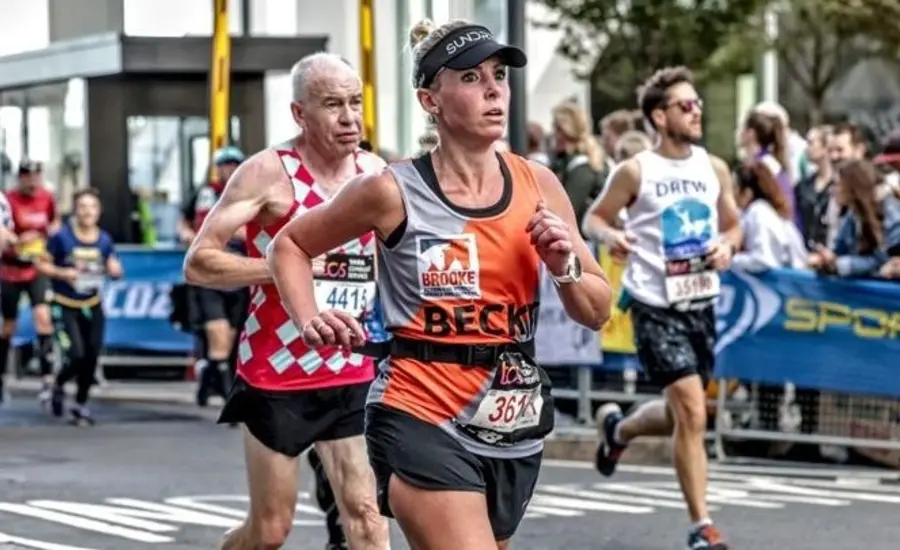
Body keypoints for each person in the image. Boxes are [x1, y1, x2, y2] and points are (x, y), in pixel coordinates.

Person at [268, 19, 611, 550]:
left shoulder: (537, 183)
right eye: (472, 78)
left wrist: (563, 263)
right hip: (418, 408)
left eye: (499, 75)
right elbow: (289, 245)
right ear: (430, 99)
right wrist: (309, 317)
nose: (494, 89)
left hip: (508, 417)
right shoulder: (390, 190)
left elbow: (596, 310)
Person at [183, 52, 389, 550]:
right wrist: (283, 268)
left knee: (366, 518)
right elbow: (200, 262)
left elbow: (389, 261)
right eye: (332, 105)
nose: (349, 118)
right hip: (277, 371)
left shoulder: (374, 171)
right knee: (271, 531)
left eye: (355, 103)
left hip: (350, 366)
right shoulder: (267, 173)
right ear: (300, 114)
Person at [584, 66, 742, 549]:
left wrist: (728, 248)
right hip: (654, 305)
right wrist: (614, 236)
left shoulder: (714, 168)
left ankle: (619, 429)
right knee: (692, 410)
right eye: (686, 105)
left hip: (701, 303)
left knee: (686, 416)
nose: (697, 111)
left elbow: (734, 225)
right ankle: (701, 528)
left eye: (697, 103)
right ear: (659, 115)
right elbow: (594, 217)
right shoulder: (637, 171)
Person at [36, 188, 122, 425]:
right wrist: (63, 273)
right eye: (82, 207)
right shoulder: (61, 237)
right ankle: (59, 383)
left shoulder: (104, 239)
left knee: (92, 355)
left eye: (92, 207)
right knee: (75, 354)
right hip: (65, 303)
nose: (87, 212)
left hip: (92, 303)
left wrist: (115, 270)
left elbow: (113, 263)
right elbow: (42, 265)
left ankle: (80, 403)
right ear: (75, 210)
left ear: (99, 211)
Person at [180, 146, 249, 406]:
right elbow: (185, 220)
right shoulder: (204, 193)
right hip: (208, 271)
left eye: (235, 164)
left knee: (230, 338)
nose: (229, 169)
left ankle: (207, 384)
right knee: (218, 335)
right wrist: (187, 234)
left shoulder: (249, 193)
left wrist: (229, 233)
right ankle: (228, 395)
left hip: (239, 272)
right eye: (224, 164)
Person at [0, 160, 60, 406]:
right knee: (8, 326)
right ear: (19, 178)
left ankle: (47, 378)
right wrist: (19, 241)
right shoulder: (9, 199)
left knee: (43, 317)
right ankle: (1, 377)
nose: (31, 180)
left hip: (36, 268)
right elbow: (4, 232)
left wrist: (47, 238)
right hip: (10, 268)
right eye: (26, 176)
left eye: (35, 175)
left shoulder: (47, 198)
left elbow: (54, 222)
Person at [807, 159, 900, 278]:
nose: (833, 189)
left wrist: (840, 264)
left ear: (853, 186)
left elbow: (883, 261)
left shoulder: (891, 216)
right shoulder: (853, 215)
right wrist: (827, 259)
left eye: (838, 184)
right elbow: (840, 249)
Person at [733, 161, 807, 271]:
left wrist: (729, 260)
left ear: (747, 193)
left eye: (734, 188)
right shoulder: (756, 212)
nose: (732, 193)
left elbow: (763, 261)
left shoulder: (759, 213)